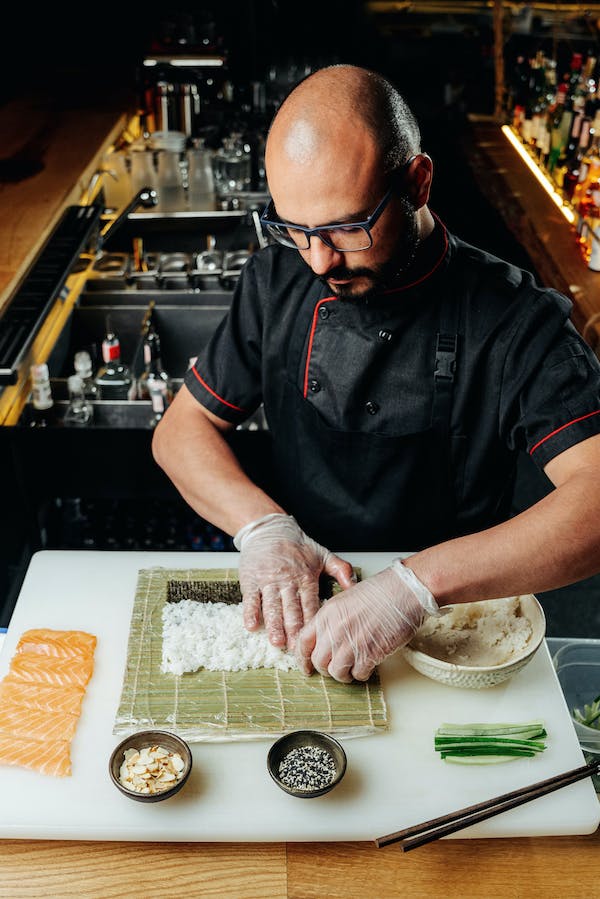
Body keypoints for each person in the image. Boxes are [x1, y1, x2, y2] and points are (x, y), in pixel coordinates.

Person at [152, 64, 600, 684]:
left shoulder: (515, 320)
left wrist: (413, 588)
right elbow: (181, 430)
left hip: (446, 630)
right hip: (303, 596)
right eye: (297, 231)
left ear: (417, 181)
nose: (320, 261)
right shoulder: (277, 280)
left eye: (346, 228)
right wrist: (264, 530)